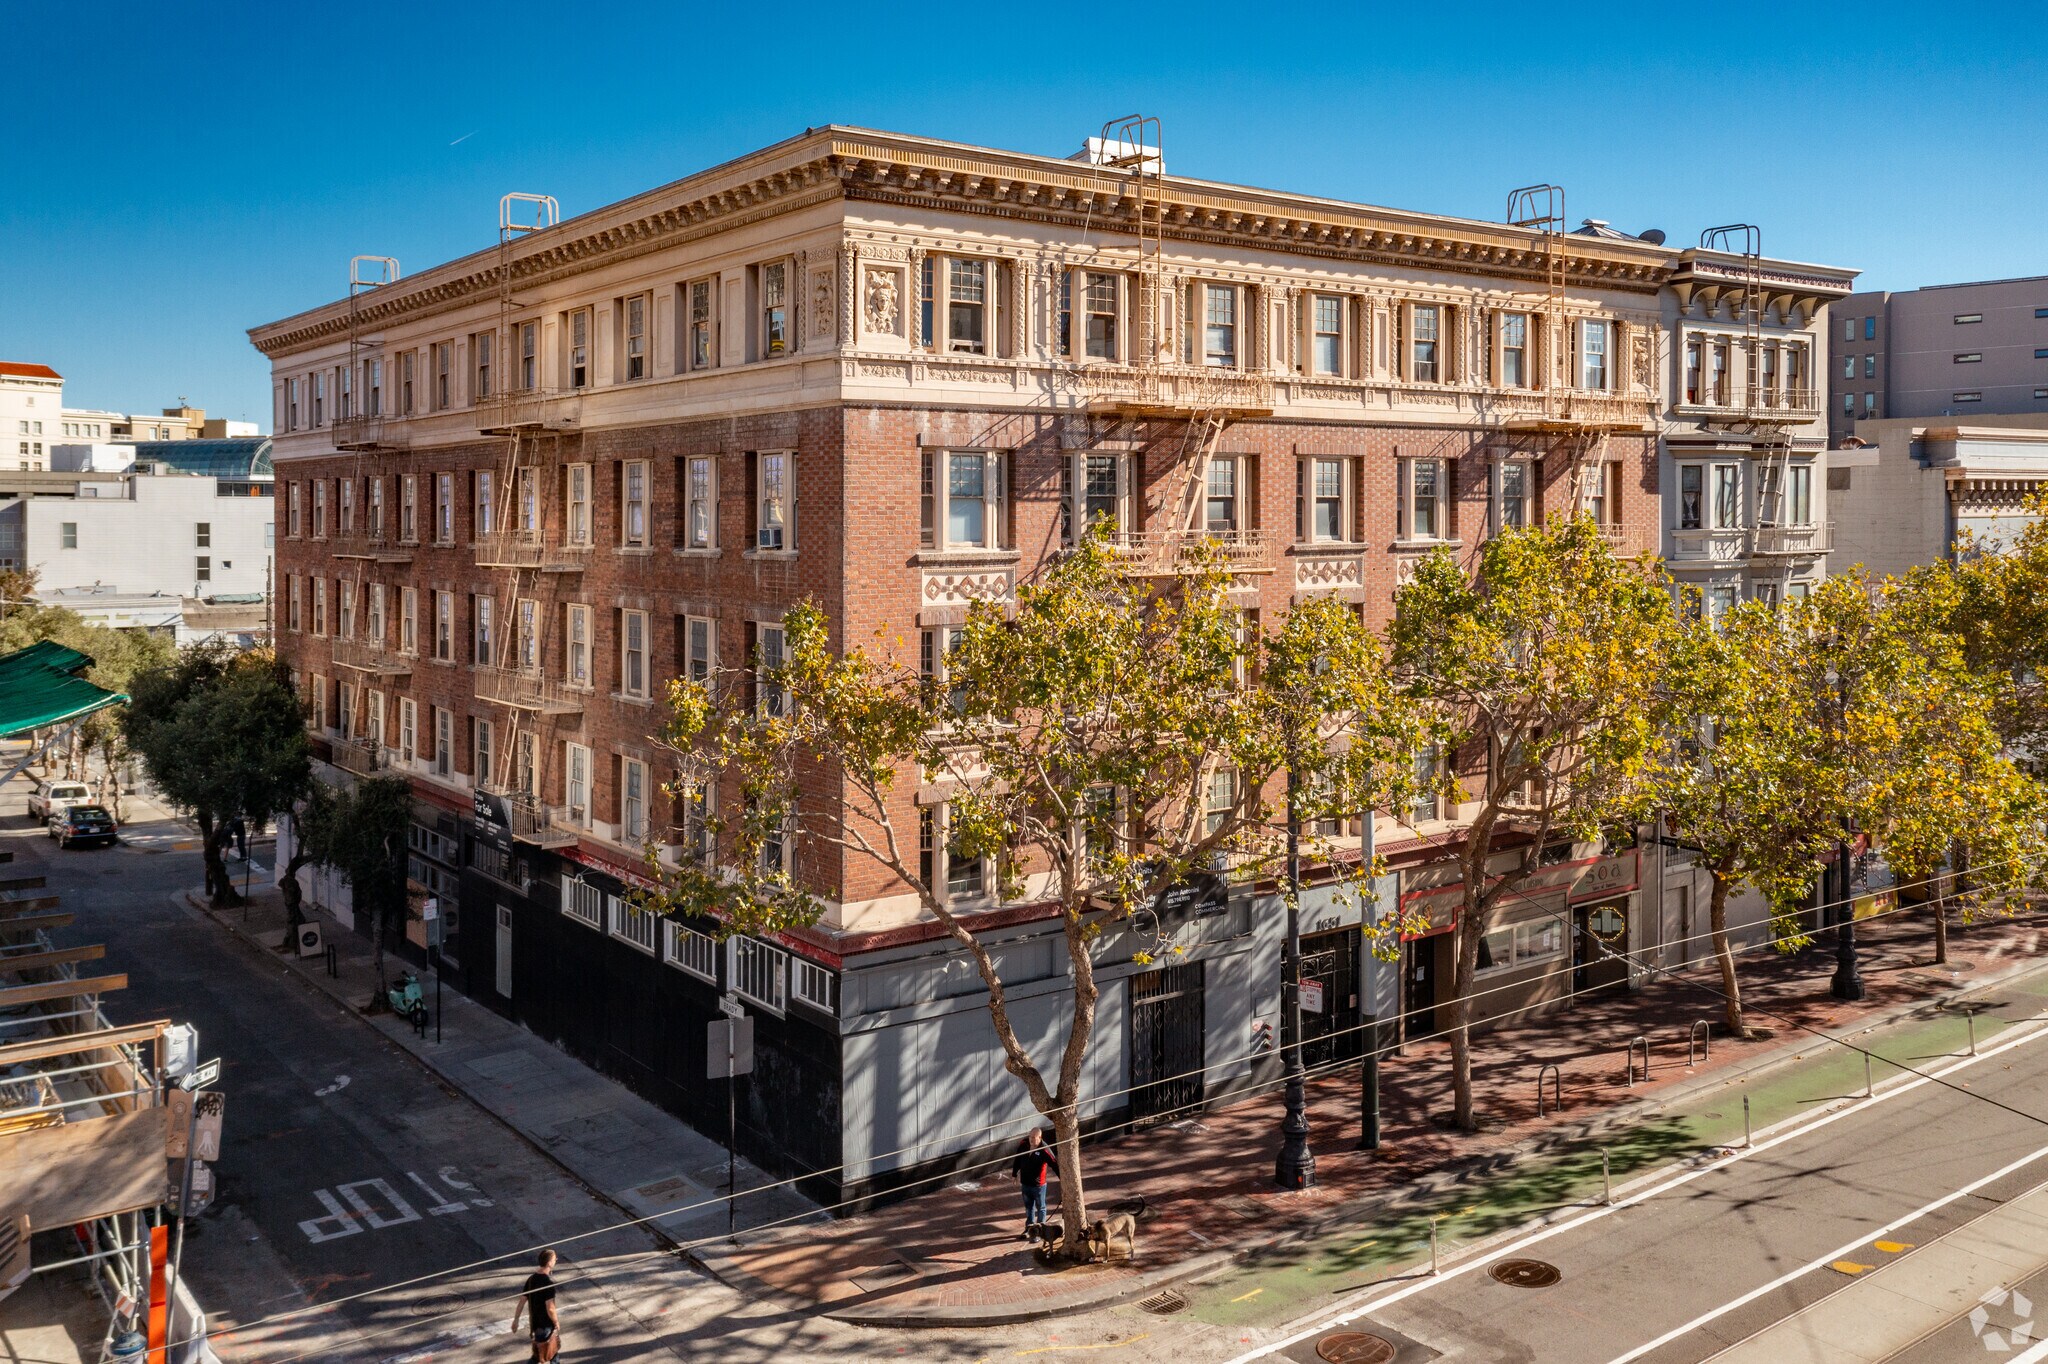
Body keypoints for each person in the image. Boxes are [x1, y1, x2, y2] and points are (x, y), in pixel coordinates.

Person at [510, 1248, 560, 1362]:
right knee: (542, 1354)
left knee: (551, 1352)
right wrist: (556, 1322)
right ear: (549, 1263)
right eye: (554, 1259)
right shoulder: (548, 1283)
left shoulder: (532, 1279)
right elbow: (550, 1308)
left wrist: (516, 1319)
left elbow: (522, 1301)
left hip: (535, 1324)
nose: (556, 1260)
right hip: (545, 1325)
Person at [1008, 1129, 1056, 1240]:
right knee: (1029, 1208)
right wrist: (1014, 1174)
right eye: (1030, 1137)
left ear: (1040, 1137)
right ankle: (1029, 1229)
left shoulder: (1044, 1150)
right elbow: (1018, 1159)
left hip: (1038, 1186)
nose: (1032, 1139)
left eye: (1035, 1137)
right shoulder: (1023, 1144)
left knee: (1041, 1208)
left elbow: (1054, 1164)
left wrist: (1062, 1180)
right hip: (1025, 1184)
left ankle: (1040, 1231)